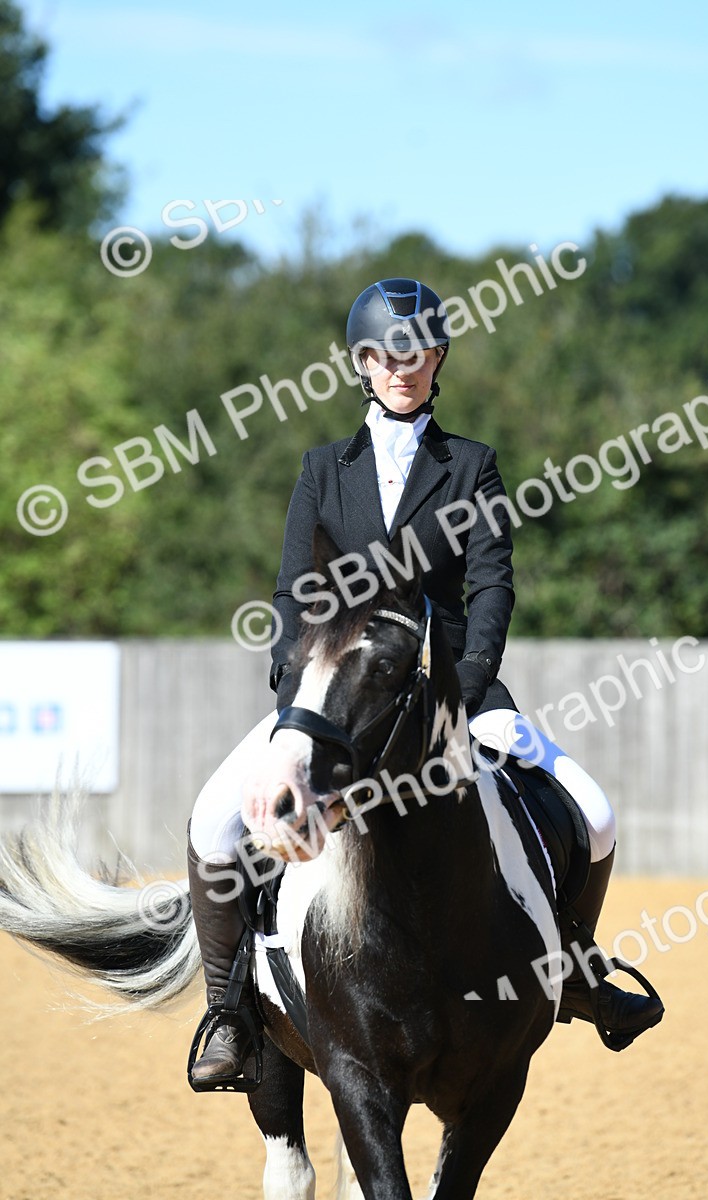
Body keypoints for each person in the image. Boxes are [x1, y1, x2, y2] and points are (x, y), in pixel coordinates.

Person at [187, 277, 663, 1087]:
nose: (400, 367)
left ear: (437, 358)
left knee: (594, 810)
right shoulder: (321, 470)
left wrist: (472, 683)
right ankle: (230, 1011)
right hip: (336, 696)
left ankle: (576, 969)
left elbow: (492, 584)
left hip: (451, 691)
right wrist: (289, 693)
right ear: (362, 364)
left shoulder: (471, 465)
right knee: (212, 824)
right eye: (382, 354)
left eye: (416, 352)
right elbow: (289, 594)